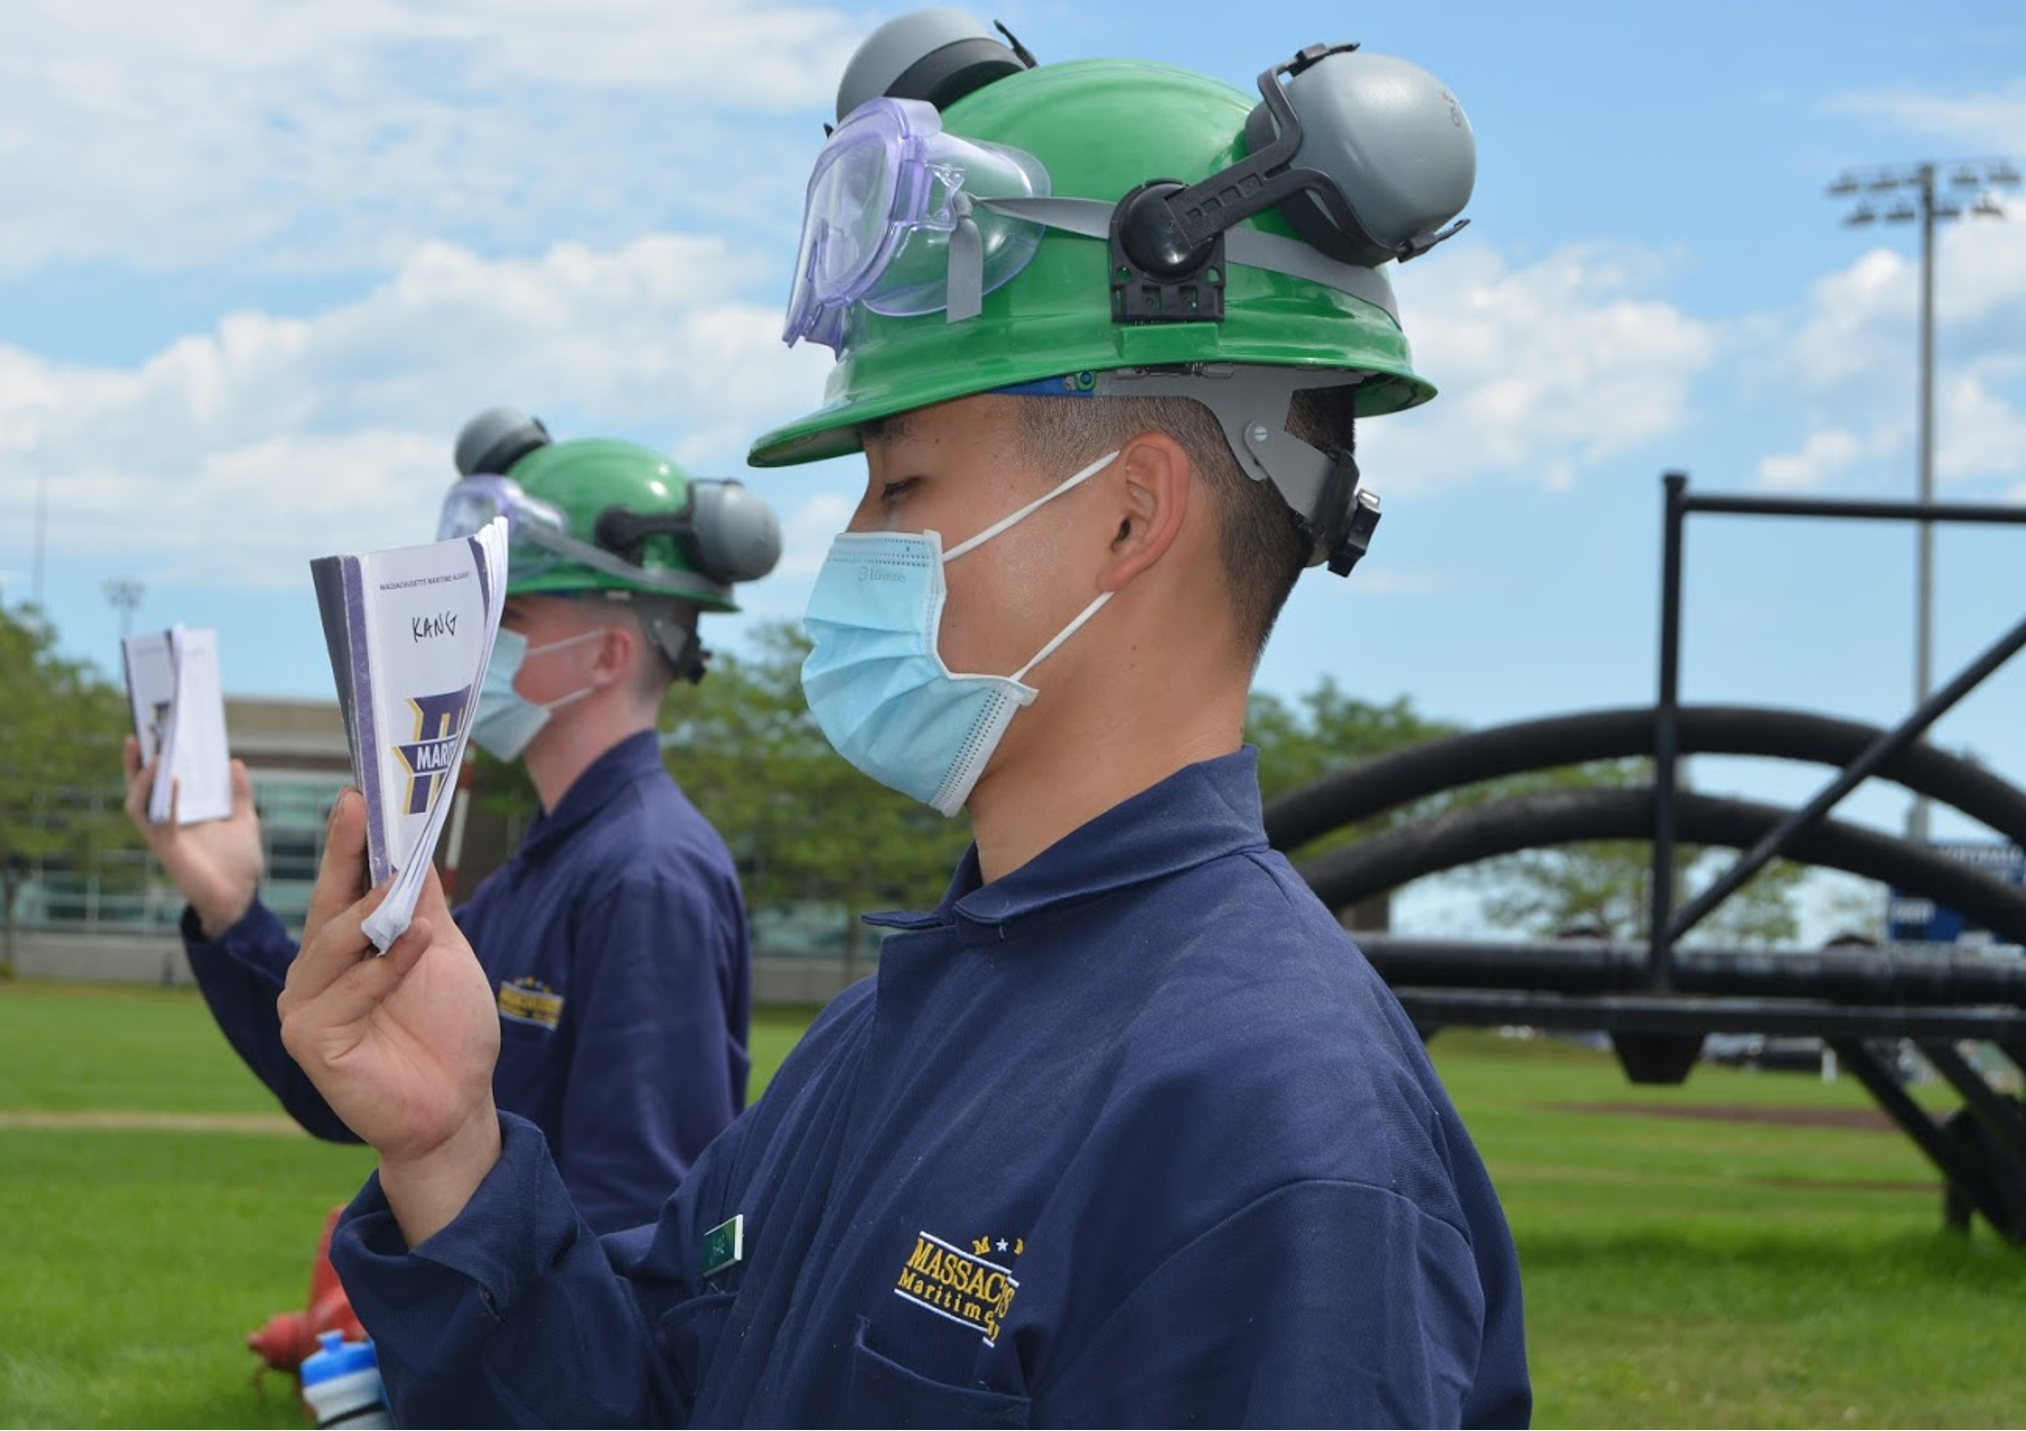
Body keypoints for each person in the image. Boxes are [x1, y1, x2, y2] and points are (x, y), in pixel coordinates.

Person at [278, 13, 1531, 1426]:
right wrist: (450, 1142)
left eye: (899, 485)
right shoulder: (903, 1020)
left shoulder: (1268, 1125)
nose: (853, 547)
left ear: (1128, 513)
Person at [123, 408, 782, 1233]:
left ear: (609, 655)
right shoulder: (551, 862)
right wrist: (230, 909)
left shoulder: (647, 873)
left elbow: (635, 1225)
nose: (471, 644)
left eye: (506, 619)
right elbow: (356, 1080)